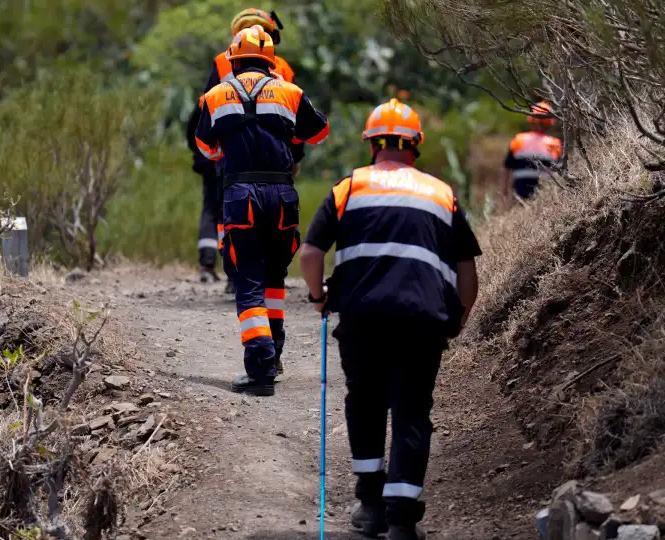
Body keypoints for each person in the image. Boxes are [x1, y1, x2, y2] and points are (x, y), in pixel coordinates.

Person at [299, 98, 481, 540]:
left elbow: (309, 253)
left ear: (372, 144)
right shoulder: (441, 193)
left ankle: (369, 505)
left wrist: (319, 296)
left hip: (362, 318)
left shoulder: (349, 187)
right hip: (422, 320)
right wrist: (458, 317)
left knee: (365, 402)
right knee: (412, 410)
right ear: (415, 146)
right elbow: (467, 271)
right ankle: (401, 519)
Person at [195, 25, 329, 395]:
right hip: (282, 195)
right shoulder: (290, 91)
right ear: (271, 60)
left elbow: (206, 148)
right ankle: (274, 355)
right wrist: (284, 135)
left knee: (248, 281)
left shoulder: (215, 96)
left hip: (241, 196)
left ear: (234, 61)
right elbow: (318, 133)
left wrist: (233, 148)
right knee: (274, 280)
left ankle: (259, 370)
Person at [186, 8, 300, 292]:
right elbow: (298, 117)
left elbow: (205, 108)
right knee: (273, 215)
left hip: (232, 154)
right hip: (276, 157)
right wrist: (296, 155)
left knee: (231, 211)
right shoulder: (283, 68)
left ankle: (233, 271)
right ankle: (268, 273)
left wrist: (207, 151)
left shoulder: (221, 62)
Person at [502, 100, 563, 202]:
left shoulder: (519, 140)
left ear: (531, 119)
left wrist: (504, 191)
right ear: (550, 123)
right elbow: (559, 172)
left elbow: (507, 168)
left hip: (520, 196)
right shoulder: (555, 144)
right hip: (544, 198)